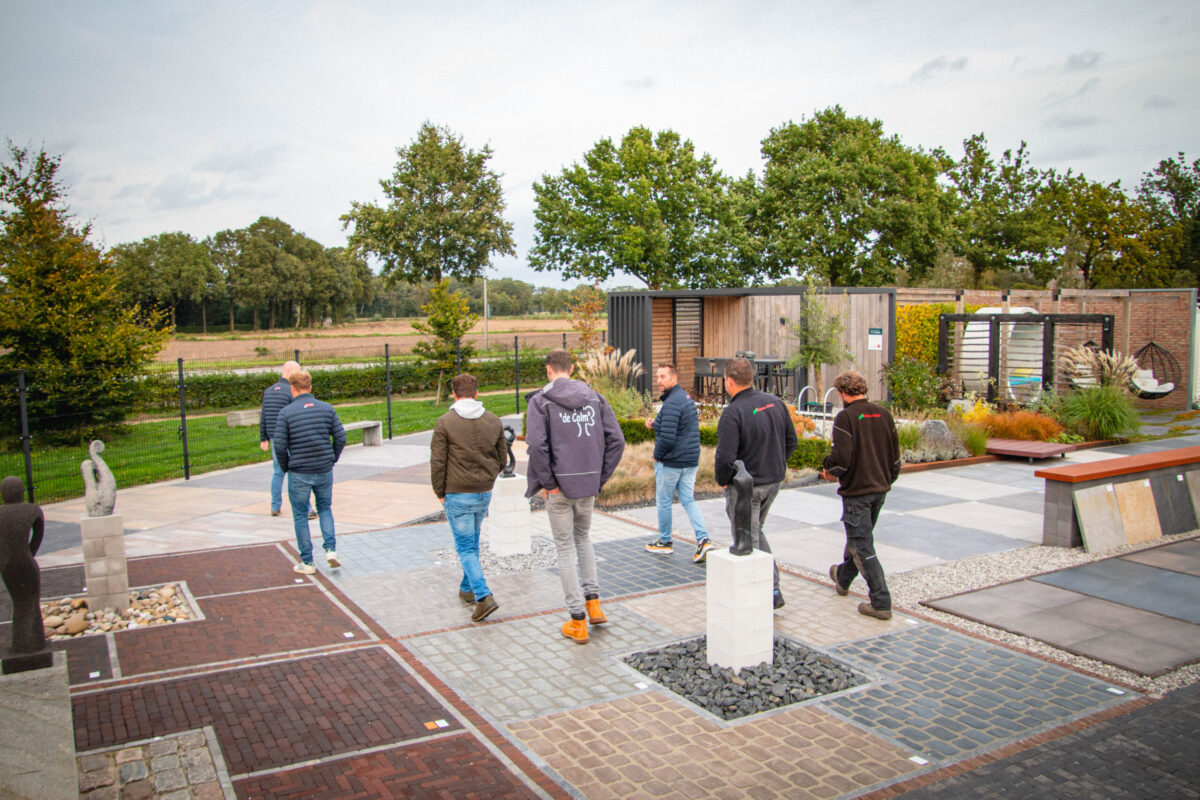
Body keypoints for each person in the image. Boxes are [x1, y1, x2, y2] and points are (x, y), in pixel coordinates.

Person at [525, 349, 625, 644]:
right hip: (587, 486)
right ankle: (594, 605)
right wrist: (599, 477)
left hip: (559, 489)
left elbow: (537, 447)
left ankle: (577, 620)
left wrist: (549, 483)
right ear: (572, 368)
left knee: (566, 548)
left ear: (548, 370)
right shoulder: (595, 398)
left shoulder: (540, 402)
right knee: (583, 539)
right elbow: (617, 441)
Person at [714, 357, 797, 609]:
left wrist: (724, 481)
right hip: (773, 481)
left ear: (728, 381)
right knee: (755, 530)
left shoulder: (733, 413)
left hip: (747, 487)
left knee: (746, 538)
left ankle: (770, 591)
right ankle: (768, 588)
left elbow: (724, 458)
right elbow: (791, 441)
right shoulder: (775, 403)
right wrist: (776, 464)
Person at [822, 370, 901, 620]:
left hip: (858, 491)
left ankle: (880, 601)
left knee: (862, 545)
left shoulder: (846, 418)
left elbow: (841, 460)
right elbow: (896, 458)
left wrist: (828, 468)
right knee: (859, 539)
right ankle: (843, 578)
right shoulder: (883, 414)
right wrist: (886, 480)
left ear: (843, 393)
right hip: (880, 489)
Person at [430, 373, 508, 623]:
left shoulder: (444, 422)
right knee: (471, 543)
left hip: (457, 492)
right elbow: (502, 459)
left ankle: (483, 596)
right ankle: (467, 589)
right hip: (484, 492)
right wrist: (488, 478)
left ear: (453, 394)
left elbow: (438, 461)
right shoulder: (493, 421)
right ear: (476, 393)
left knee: (464, 547)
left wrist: (439, 492)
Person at [273, 370, 346, 574]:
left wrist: (287, 465)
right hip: (323, 468)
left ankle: (307, 562)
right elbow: (340, 437)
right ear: (310, 387)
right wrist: (332, 458)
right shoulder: (327, 409)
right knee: (325, 508)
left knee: (300, 515)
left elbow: (279, 445)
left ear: (293, 389)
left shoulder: (286, 413)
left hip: (299, 471)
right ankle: (331, 549)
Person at [643, 363, 712, 563]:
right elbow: (678, 427)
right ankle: (703, 539)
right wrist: (655, 424)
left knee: (664, 501)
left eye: (663, 376)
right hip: (690, 461)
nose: (658, 380)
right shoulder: (684, 398)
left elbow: (669, 437)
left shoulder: (672, 402)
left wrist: (657, 454)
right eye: (657, 376)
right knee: (688, 500)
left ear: (674, 378)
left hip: (672, 462)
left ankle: (665, 542)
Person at [260, 361, 314, 520]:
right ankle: (307, 508)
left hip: (275, 438)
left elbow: (264, 415)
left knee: (278, 473)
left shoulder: (269, 391)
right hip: (291, 437)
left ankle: (275, 506)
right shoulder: (291, 391)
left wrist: (264, 437)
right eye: (297, 372)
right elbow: (298, 414)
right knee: (297, 474)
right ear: (289, 371)